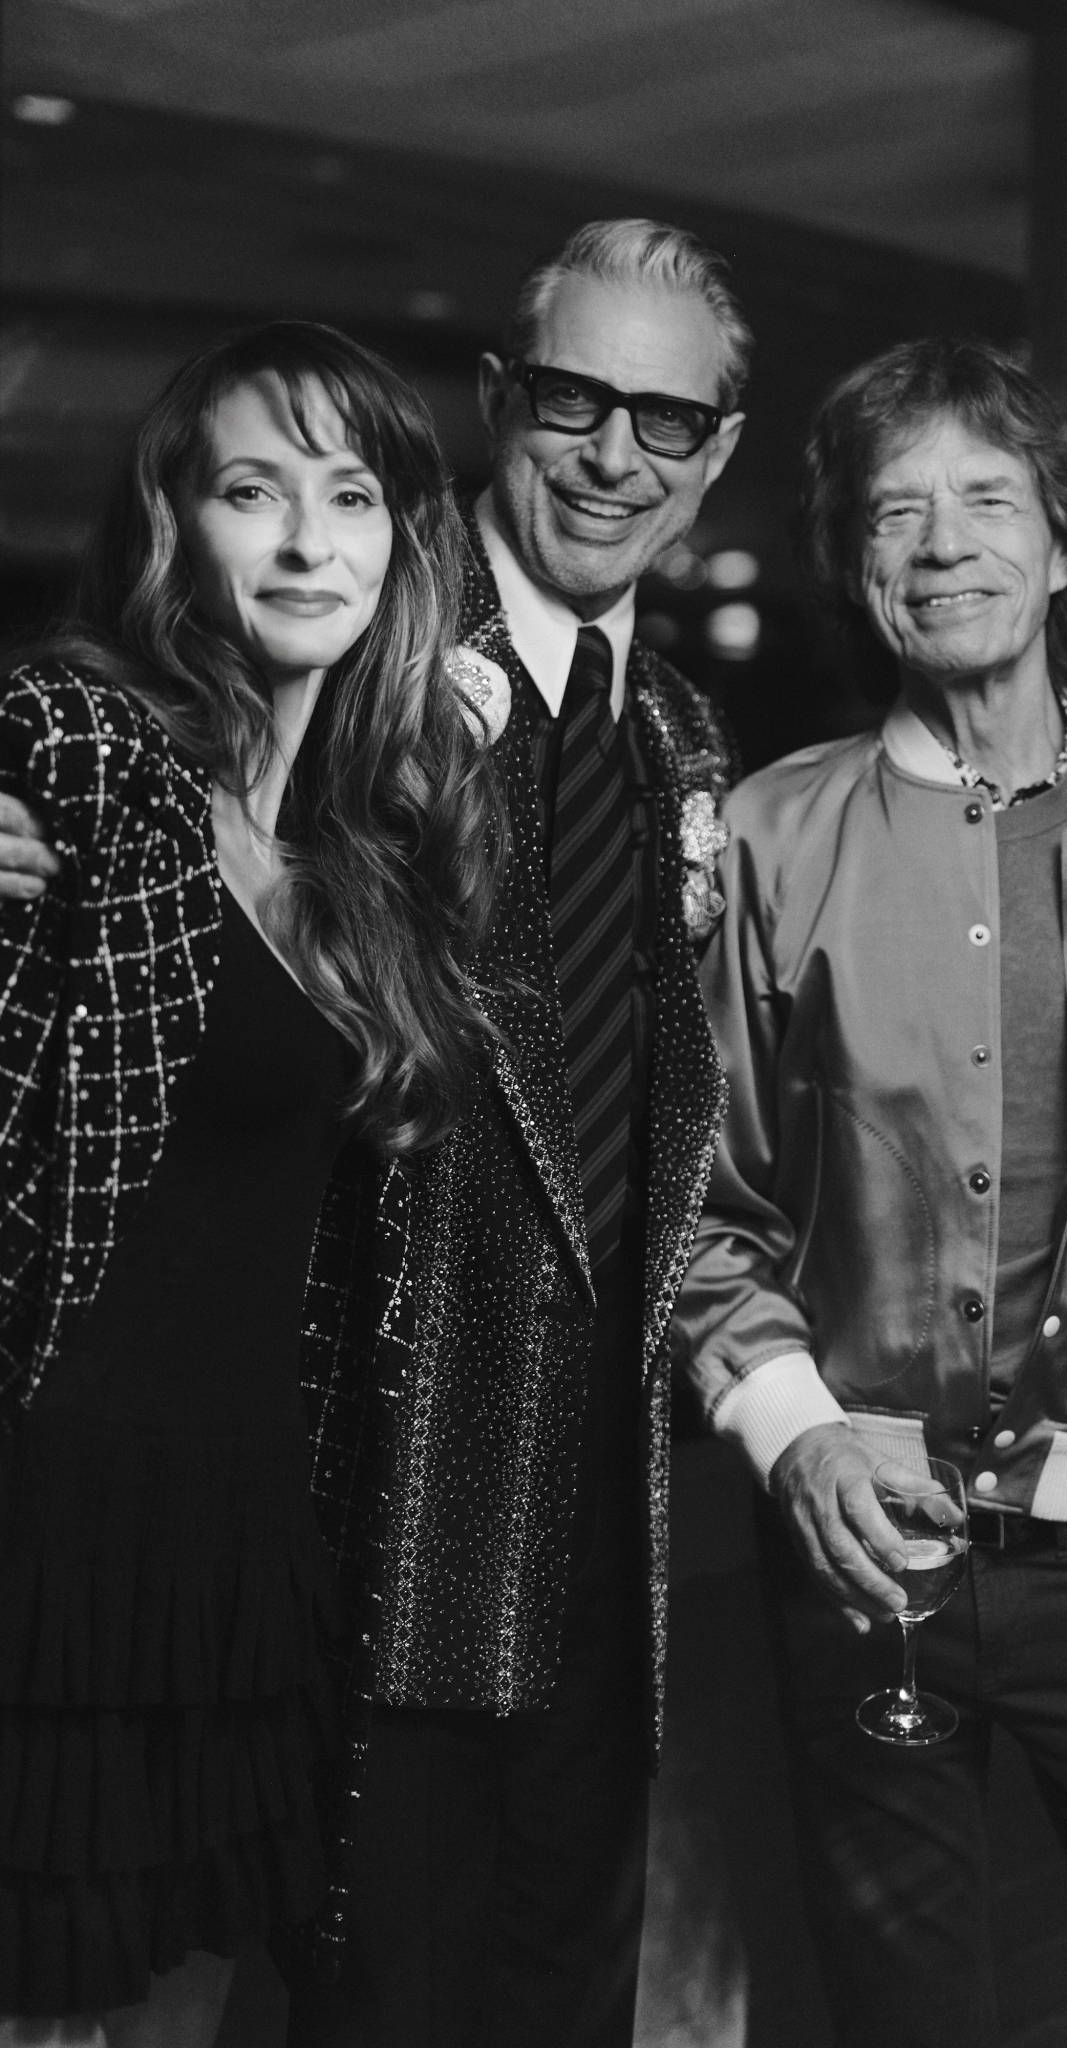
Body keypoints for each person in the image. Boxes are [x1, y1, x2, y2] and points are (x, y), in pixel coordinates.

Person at [674, 338, 1067, 2048]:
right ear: (855, 562)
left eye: (986, 498)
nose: (945, 542)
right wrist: (801, 1443)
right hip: (866, 1557)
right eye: (897, 512)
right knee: (902, 2021)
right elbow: (702, 1201)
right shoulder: (770, 837)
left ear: (1061, 545)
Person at [0, 322, 504, 2046]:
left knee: (188, 2010)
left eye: (349, 496)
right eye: (251, 491)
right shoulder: (76, 745)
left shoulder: (362, 850)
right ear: (175, 524)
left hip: (246, 1540)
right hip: (52, 1512)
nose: (305, 543)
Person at [278, 219, 747, 2047]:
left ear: (715, 452)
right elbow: (141, 723)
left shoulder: (683, 734)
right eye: (575, 399)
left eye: (665, 418)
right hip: (376, 1493)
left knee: (565, 1996)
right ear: (498, 399)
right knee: (372, 2002)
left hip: (611, 1510)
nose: (615, 455)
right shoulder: (358, 637)